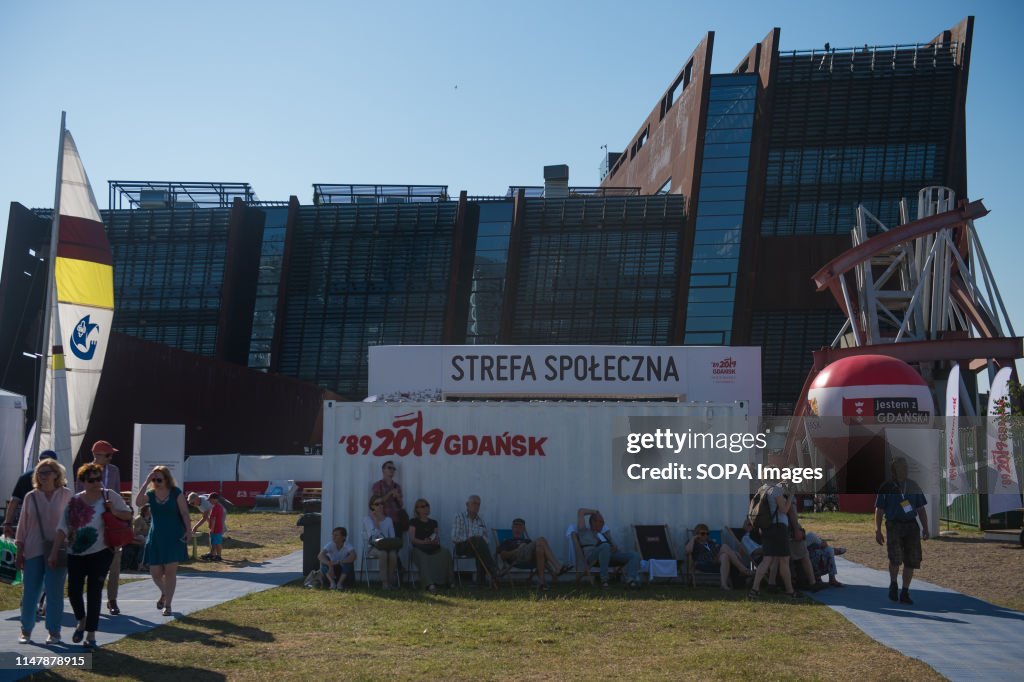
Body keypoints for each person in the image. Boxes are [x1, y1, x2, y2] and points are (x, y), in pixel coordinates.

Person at [53, 462, 131, 649]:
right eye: (91, 480)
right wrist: (54, 551)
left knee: (94, 593)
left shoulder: (109, 495)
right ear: (82, 482)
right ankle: (81, 619)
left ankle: (91, 634)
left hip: (101, 552)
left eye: (98, 478)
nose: (96, 483)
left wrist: (112, 510)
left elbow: (127, 515)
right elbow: (62, 528)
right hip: (75, 553)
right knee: (73, 591)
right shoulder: (74, 501)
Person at [14, 459, 72, 644]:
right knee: (30, 592)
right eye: (40, 472)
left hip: (58, 549)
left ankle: (54, 632)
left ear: (57, 474)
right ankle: (26, 630)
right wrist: (19, 550)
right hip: (32, 549)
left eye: (47, 472)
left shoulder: (67, 495)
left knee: (54, 593)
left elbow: (72, 522)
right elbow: (22, 525)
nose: (43, 475)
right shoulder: (31, 496)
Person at [136, 466, 192, 616]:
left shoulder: (176, 493)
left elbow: (185, 513)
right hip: (156, 536)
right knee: (155, 572)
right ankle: (165, 593)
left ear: (167, 479)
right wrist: (146, 481)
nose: (156, 482)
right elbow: (138, 502)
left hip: (174, 536)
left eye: (159, 479)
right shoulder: (151, 493)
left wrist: (189, 530)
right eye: (154, 479)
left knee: (170, 572)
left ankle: (168, 606)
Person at [76, 441, 124, 616]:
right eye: (108, 455)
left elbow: (117, 494)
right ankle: (89, 599)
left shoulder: (114, 471)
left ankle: (112, 600)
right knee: (89, 563)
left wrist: (117, 513)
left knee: (115, 562)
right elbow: (78, 496)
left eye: (111, 455)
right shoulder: (85, 472)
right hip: (90, 522)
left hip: (110, 522)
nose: (111, 458)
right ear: (97, 455)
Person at [875, 457, 929, 604]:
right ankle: (893, 583)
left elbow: (921, 509)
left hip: (911, 525)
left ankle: (905, 591)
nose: (904, 470)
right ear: (894, 470)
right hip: (894, 525)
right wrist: (877, 530)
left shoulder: (913, 486)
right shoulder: (886, 487)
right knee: (895, 558)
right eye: (900, 468)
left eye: (905, 467)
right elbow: (879, 510)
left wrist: (925, 528)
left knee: (911, 560)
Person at [748, 481, 802, 599]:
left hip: (766, 528)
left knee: (767, 559)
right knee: (784, 560)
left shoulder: (762, 489)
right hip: (779, 528)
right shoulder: (775, 490)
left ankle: (754, 589)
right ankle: (790, 591)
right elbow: (784, 510)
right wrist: (791, 495)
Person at [496, 517, 571, 591]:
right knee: (541, 539)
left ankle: (541, 583)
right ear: (512, 528)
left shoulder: (527, 541)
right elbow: (503, 556)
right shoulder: (507, 541)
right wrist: (517, 549)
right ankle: (558, 567)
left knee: (540, 549)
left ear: (523, 529)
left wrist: (551, 573)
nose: (518, 529)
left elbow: (543, 558)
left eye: (520, 527)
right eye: (516, 527)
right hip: (517, 558)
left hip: (530, 559)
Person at [576, 508, 641, 588]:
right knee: (605, 546)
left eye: (603, 522)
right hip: (593, 557)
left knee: (635, 555)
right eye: (601, 522)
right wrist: (595, 512)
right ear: (593, 522)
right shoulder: (584, 532)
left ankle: (631, 579)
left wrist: (614, 547)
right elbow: (581, 512)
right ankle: (604, 579)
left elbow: (615, 547)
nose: (603, 524)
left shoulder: (605, 534)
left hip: (610, 555)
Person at [4, 450, 58, 538]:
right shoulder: (58, 479)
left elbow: (14, 501)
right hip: (51, 526)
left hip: (28, 526)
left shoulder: (24, 478)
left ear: (38, 462)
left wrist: (7, 523)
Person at [685, 523, 752, 590]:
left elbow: (718, 549)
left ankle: (723, 584)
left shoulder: (710, 542)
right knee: (724, 546)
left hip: (714, 559)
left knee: (724, 556)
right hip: (703, 561)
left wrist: (733, 553)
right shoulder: (693, 543)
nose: (705, 535)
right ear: (697, 534)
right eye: (703, 534)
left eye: (707, 534)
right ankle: (742, 568)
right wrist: (693, 538)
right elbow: (688, 550)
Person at [407, 498, 453, 594]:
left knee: (446, 552)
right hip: (418, 548)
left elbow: (437, 538)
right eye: (423, 506)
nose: (426, 508)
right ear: (417, 509)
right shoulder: (413, 522)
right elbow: (412, 539)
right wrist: (424, 542)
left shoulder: (433, 522)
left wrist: (433, 541)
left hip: (431, 547)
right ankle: (430, 585)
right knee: (423, 557)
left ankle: (449, 581)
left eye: (427, 505)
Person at [451, 495, 499, 587]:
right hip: (461, 546)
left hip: (477, 547)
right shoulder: (459, 517)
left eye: (478, 504)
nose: (476, 506)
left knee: (480, 546)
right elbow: (454, 537)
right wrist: (471, 539)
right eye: (474, 503)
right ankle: (494, 570)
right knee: (478, 540)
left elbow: (486, 539)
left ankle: (480, 581)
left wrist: (478, 540)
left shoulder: (481, 520)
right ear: (467, 504)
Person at [362, 495, 400, 588]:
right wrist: (376, 521)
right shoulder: (367, 519)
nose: (380, 506)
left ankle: (389, 580)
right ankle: (385, 583)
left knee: (392, 555)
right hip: (373, 547)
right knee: (383, 554)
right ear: (372, 506)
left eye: (382, 503)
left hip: (387, 546)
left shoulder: (388, 520)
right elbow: (373, 536)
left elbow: (392, 537)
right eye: (377, 504)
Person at [370, 461, 405, 531]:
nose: (392, 470)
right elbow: (377, 502)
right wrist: (390, 493)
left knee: (396, 541)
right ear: (383, 470)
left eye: (393, 469)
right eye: (389, 468)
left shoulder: (397, 486)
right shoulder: (377, 485)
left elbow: (401, 505)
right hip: (382, 520)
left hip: (396, 520)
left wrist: (398, 497)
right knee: (383, 541)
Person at [191, 493, 226, 561]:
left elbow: (213, 518)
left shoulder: (215, 507)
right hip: (215, 527)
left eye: (210, 500)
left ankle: (218, 556)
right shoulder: (214, 507)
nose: (209, 501)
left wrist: (212, 528)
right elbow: (209, 517)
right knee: (214, 541)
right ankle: (212, 554)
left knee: (217, 542)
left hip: (216, 528)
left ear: (215, 499)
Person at [122, 504, 151, 572]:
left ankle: (147, 564)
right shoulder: (139, 519)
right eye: (150, 510)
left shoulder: (149, 518)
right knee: (144, 542)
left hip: (144, 537)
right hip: (136, 537)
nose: (151, 512)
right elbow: (135, 532)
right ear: (145, 511)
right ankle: (141, 565)